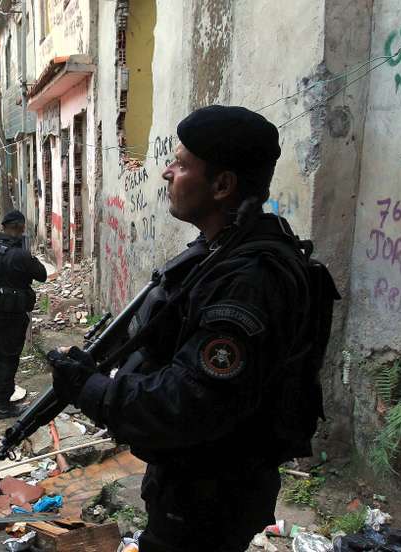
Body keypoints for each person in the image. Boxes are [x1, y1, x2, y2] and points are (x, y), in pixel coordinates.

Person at [47, 106, 338, 551]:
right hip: (194, 485)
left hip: (211, 498)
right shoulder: (222, 251)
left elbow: (189, 401)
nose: (167, 172)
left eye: (182, 164)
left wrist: (93, 391)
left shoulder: (248, 280)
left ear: (222, 186)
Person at [0, 210, 47, 419]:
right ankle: (4, 407)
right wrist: (27, 256)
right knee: (9, 357)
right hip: (12, 314)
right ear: (19, 228)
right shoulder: (20, 255)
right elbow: (41, 274)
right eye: (23, 229)